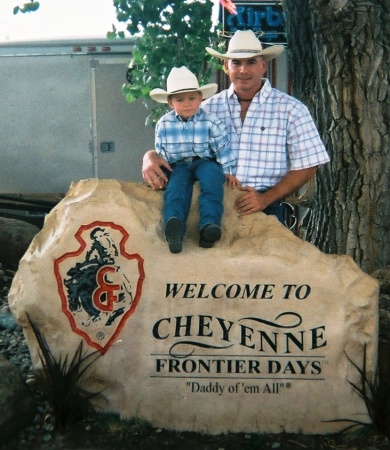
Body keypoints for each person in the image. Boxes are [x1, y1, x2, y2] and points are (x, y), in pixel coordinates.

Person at [142, 30, 330, 225]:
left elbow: (307, 166)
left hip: (267, 207)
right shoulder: (206, 109)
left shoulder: (292, 109)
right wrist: (150, 156)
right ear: (226, 66)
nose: (243, 70)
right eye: (236, 63)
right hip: (212, 206)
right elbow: (180, 149)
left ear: (263, 65)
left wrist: (266, 198)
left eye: (251, 62)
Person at [149, 66, 238, 253]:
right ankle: (174, 226)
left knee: (212, 180)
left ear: (200, 98)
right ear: (171, 103)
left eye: (192, 98)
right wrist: (162, 175)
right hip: (178, 164)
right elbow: (162, 154)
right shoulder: (164, 124)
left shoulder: (211, 121)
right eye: (180, 100)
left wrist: (229, 171)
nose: (187, 104)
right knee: (176, 189)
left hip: (204, 161)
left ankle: (209, 225)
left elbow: (222, 147)